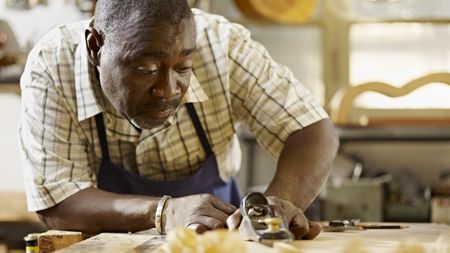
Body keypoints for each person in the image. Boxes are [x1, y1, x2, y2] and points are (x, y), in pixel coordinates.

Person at [19, 0, 338, 238]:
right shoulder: (53, 64)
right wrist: (163, 212)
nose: (167, 90)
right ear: (95, 47)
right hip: (104, 236)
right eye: (146, 69)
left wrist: (274, 209)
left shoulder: (222, 46)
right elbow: (56, 200)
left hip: (216, 234)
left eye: (183, 68)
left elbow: (310, 128)